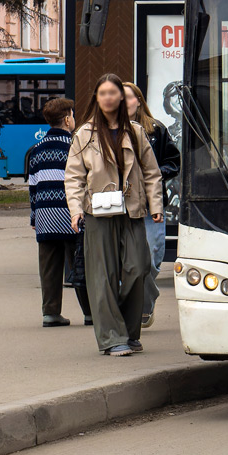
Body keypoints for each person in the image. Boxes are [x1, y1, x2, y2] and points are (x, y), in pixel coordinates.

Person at [64, 74, 164, 357]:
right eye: (102, 93)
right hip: (98, 212)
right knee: (102, 276)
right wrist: (75, 211)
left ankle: (129, 332)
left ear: (122, 97)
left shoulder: (136, 132)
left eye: (113, 92)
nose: (107, 97)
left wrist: (156, 206)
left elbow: (152, 174)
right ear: (96, 98)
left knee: (139, 267)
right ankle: (111, 337)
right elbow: (73, 178)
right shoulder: (84, 134)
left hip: (132, 210)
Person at [28, 97, 89, 326]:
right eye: (72, 115)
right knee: (80, 263)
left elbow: (33, 186)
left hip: (44, 216)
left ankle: (51, 313)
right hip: (70, 214)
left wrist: (34, 216)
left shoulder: (36, 150)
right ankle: (90, 312)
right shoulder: (75, 146)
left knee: (49, 267)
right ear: (66, 119)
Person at [123, 82, 179, 329]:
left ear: (138, 100)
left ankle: (146, 303)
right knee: (126, 261)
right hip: (121, 204)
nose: (123, 102)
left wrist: (155, 173)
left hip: (151, 203)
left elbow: (173, 162)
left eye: (128, 97)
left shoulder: (156, 129)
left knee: (153, 258)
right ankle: (134, 309)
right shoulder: (110, 130)